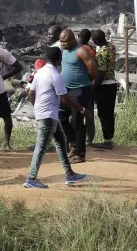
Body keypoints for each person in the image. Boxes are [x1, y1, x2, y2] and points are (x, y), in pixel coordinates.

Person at [24, 47, 88, 189]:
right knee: (41, 146)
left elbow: (31, 94)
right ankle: (31, 178)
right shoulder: (55, 75)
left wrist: (37, 108)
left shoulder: (39, 72)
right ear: (59, 59)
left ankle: (69, 174)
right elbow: (64, 98)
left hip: (47, 114)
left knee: (61, 141)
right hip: (48, 115)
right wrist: (81, 109)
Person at [59, 29, 97, 163]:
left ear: (73, 39)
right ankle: (74, 143)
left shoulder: (81, 51)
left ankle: (80, 154)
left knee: (77, 120)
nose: (62, 44)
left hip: (80, 90)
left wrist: (84, 81)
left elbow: (93, 70)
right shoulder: (64, 50)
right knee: (61, 116)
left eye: (65, 41)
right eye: (61, 41)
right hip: (66, 90)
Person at [91, 29, 118, 150]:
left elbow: (101, 73)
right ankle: (109, 139)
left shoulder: (102, 52)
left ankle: (107, 141)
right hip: (112, 83)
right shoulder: (111, 46)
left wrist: (94, 86)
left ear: (96, 41)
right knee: (109, 113)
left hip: (104, 85)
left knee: (103, 113)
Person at [78, 29, 97, 145]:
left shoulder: (76, 50)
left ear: (78, 35)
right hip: (89, 84)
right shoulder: (92, 50)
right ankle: (89, 138)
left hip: (77, 85)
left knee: (76, 112)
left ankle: (77, 138)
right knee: (89, 112)